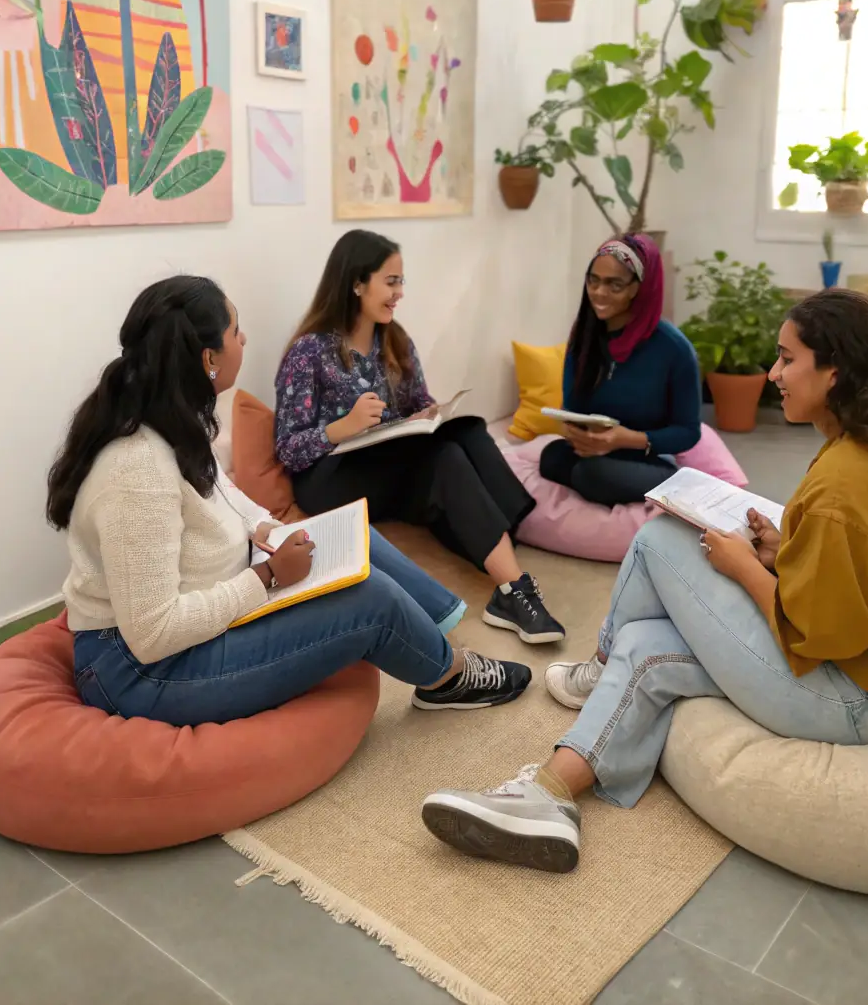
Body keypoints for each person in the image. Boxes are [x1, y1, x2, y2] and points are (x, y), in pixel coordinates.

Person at [420, 289, 868, 872]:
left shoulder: (847, 485)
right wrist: (780, 551)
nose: (773, 374)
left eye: (788, 359)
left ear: (835, 372)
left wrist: (744, 567)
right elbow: (856, 577)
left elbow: (823, 638)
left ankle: (601, 665)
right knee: (644, 649)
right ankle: (550, 795)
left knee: (660, 537)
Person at [55, 276, 532, 726]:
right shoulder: (136, 470)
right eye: (235, 332)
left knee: (350, 536)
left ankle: (439, 638)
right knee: (371, 602)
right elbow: (153, 634)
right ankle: (446, 677)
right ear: (208, 359)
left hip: (187, 623)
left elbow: (223, 494)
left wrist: (267, 529)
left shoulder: (170, 416)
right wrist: (266, 577)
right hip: (140, 670)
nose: (245, 340)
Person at [274, 230, 565, 646]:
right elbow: (288, 448)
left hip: (387, 463)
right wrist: (343, 426)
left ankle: (508, 543)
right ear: (357, 283)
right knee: (444, 459)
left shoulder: (393, 339)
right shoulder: (309, 352)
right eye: (391, 281)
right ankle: (513, 589)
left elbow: (417, 402)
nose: (399, 293)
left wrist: (431, 413)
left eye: (401, 282)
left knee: (466, 431)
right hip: (330, 478)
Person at [538, 234, 701, 509]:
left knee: (593, 475)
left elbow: (688, 432)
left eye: (615, 284)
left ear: (639, 288)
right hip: (596, 452)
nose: (599, 292)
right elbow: (572, 405)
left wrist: (626, 439)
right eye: (594, 280)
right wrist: (577, 433)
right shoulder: (585, 337)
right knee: (551, 457)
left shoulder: (674, 349)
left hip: (648, 458)